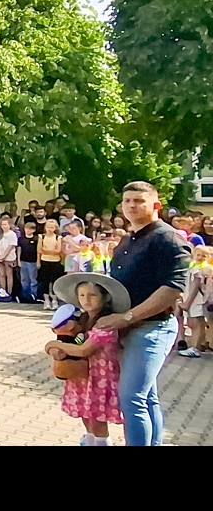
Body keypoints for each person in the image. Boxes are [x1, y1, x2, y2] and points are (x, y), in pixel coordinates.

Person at [93, 181, 190, 446]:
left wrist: (127, 318)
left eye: (139, 200)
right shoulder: (127, 238)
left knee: (131, 398)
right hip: (127, 327)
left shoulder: (168, 239)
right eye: (127, 201)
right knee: (146, 398)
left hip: (152, 328)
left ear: (156, 205)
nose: (132, 206)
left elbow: (172, 289)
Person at [47, 272, 129, 445]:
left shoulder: (105, 322)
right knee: (85, 415)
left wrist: (53, 346)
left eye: (92, 295)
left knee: (98, 419)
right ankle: (90, 441)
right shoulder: (82, 319)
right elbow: (69, 341)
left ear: (105, 298)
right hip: (83, 376)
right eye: (82, 295)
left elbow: (85, 350)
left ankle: (101, 443)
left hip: (100, 377)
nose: (87, 299)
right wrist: (58, 350)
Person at [176, 245, 212, 357]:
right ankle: (194, 345)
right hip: (189, 298)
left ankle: (195, 347)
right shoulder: (192, 266)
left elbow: (196, 286)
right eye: (198, 255)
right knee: (193, 323)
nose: (200, 257)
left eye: (204, 256)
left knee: (196, 323)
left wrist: (188, 301)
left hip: (197, 300)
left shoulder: (205, 269)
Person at [39, 220, 65, 310]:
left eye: (52, 227)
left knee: (54, 281)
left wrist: (47, 251)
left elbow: (58, 250)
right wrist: (51, 251)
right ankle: (46, 301)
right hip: (44, 261)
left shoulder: (58, 237)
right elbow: (39, 250)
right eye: (48, 227)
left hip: (55, 262)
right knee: (45, 281)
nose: (50, 229)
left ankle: (54, 300)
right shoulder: (41, 236)